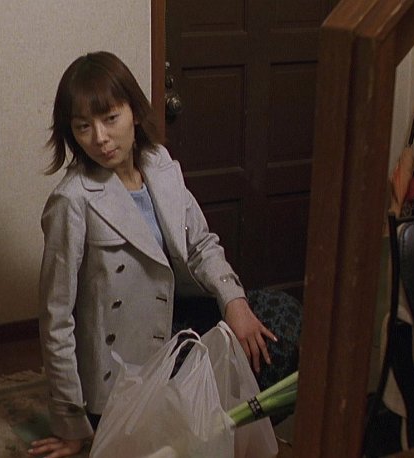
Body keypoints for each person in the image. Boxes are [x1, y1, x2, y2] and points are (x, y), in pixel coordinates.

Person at [29, 51, 299, 458]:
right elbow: (56, 317)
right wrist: (71, 423)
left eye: (110, 119)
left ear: (134, 112)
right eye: (83, 126)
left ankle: (215, 431)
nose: (99, 138)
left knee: (281, 323)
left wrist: (235, 303)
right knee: (221, 380)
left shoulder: (159, 165)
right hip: (125, 363)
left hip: (177, 317)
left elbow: (201, 244)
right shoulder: (72, 200)